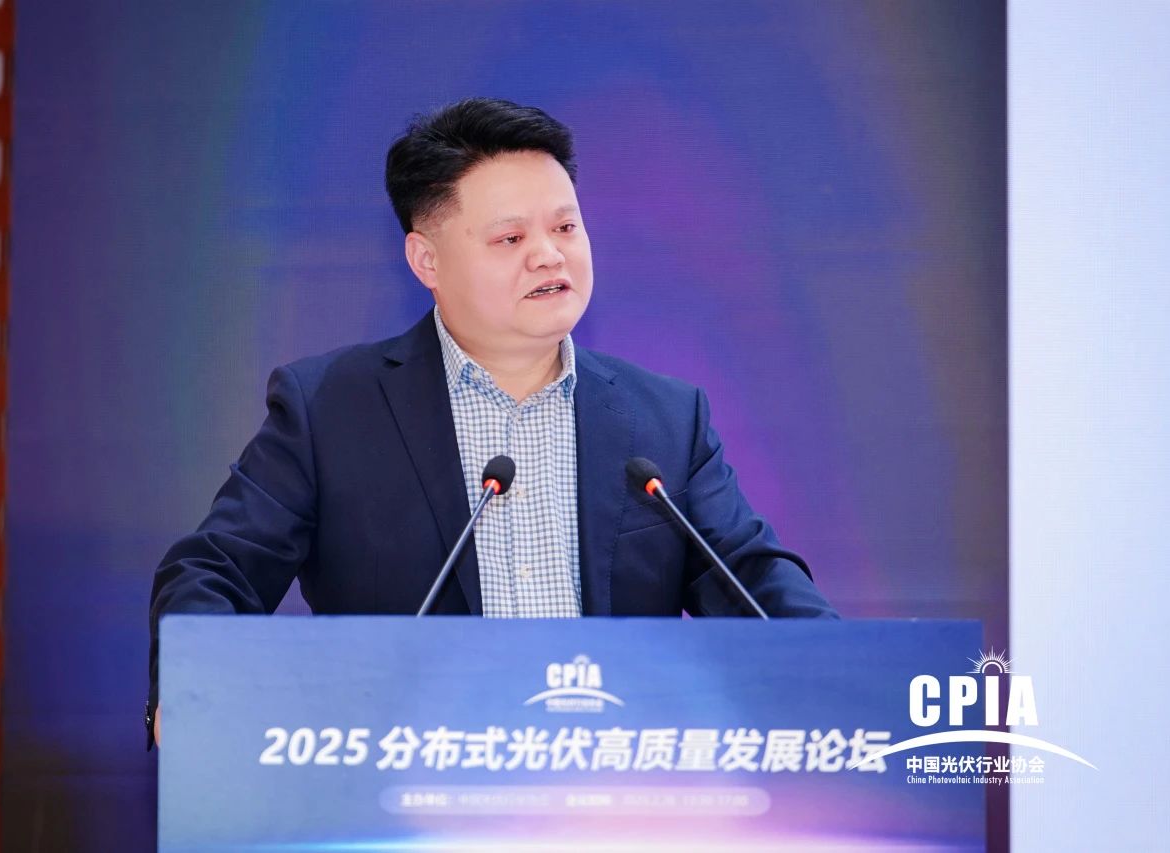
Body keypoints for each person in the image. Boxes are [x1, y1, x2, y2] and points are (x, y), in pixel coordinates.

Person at [146, 97, 837, 747]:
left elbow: (752, 580)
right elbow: (215, 569)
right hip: (406, 785)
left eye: (565, 227)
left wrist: (851, 673)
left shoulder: (665, 419)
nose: (549, 254)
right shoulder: (329, 408)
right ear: (426, 259)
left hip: (613, 788)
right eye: (511, 237)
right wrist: (193, 690)